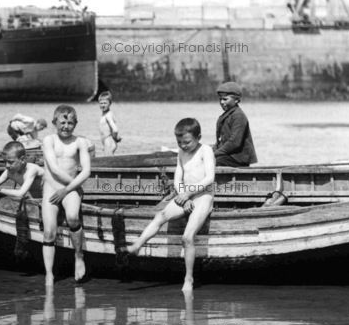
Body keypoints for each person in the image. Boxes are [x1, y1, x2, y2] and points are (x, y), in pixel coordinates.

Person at [124, 118, 215, 292]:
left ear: (199, 137)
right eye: (179, 143)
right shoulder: (181, 153)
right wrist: (184, 196)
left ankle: (188, 278)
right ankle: (138, 245)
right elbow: (177, 178)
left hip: (203, 196)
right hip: (185, 195)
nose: (183, 146)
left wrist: (189, 194)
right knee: (161, 216)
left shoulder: (206, 150)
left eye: (187, 142)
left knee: (187, 237)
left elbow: (209, 178)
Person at [41, 105, 91, 285]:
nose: (66, 126)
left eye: (70, 123)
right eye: (62, 122)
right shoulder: (49, 140)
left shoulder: (80, 142)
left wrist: (68, 189)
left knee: (72, 218)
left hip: (70, 189)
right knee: (49, 232)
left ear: (75, 124)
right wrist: (65, 187)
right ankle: (49, 274)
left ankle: (79, 256)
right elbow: (53, 168)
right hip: (52, 188)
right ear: (55, 122)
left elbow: (86, 172)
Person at [213, 82, 257, 167]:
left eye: (225, 99)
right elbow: (221, 141)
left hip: (237, 159)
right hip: (228, 156)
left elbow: (234, 142)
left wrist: (215, 153)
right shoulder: (226, 116)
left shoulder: (238, 116)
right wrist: (211, 150)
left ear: (236, 100)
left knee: (215, 161)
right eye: (220, 99)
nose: (222, 102)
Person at [97, 91, 121, 156]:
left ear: (110, 103)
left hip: (109, 142)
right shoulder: (104, 115)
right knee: (108, 160)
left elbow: (115, 129)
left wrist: (115, 138)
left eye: (105, 103)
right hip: (106, 142)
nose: (103, 105)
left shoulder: (108, 115)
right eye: (101, 103)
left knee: (109, 162)